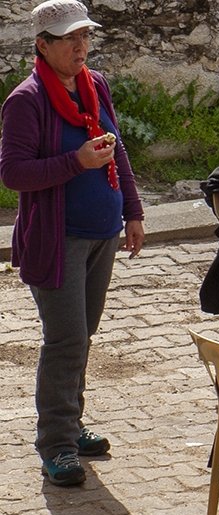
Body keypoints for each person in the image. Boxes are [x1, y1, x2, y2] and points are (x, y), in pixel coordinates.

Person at [0, 0, 145, 487]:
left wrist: (133, 210)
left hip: (102, 231)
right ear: (43, 45)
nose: (81, 46)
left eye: (85, 35)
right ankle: (56, 445)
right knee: (66, 341)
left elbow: (114, 146)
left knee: (84, 336)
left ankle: (72, 424)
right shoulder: (26, 100)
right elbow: (13, 173)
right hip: (57, 239)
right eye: (69, 38)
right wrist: (74, 162)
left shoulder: (95, 84)